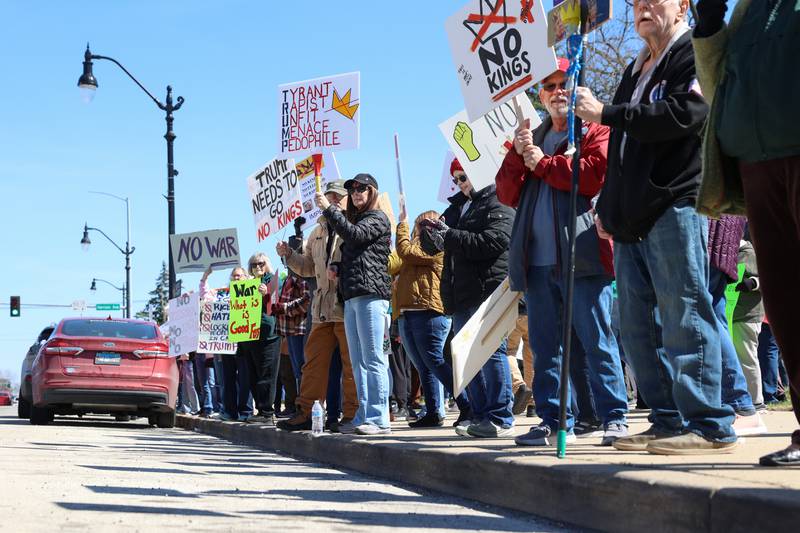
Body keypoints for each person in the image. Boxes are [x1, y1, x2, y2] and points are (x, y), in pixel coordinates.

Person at [575, 0, 737, 454]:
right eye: (635, 1)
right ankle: (666, 418)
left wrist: (606, 112)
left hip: (674, 204)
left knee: (684, 312)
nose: (642, 7)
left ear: (682, 5)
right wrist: (607, 206)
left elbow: (686, 113)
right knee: (633, 323)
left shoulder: (690, 52)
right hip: (630, 217)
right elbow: (624, 144)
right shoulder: (634, 67)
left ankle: (709, 423)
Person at [496, 58, 629, 447]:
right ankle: (553, 418)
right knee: (545, 346)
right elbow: (506, 193)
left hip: (582, 257)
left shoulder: (595, 130)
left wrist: (542, 162)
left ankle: (614, 417)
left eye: (563, 85)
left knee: (597, 339)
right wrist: (516, 154)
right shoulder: (532, 135)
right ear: (540, 95)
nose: (557, 93)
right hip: (536, 264)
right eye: (549, 86)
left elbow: (592, 175)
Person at [693, 0, 800, 465]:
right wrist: (711, 25)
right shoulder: (749, 10)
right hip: (756, 165)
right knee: (787, 302)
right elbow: (716, 85)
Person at [422, 159, 515, 438]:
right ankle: (479, 414)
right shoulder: (456, 208)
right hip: (462, 291)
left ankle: (500, 416)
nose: (461, 183)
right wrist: (432, 234)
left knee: (490, 353)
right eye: (457, 179)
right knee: (465, 357)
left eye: (464, 176)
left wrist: (451, 236)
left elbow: (496, 241)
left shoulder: (499, 198)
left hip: (487, 288)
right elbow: (433, 246)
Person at [275, 180, 360, 433]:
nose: (333, 200)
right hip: (322, 308)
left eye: (337, 197)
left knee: (350, 363)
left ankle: (352, 413)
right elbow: (309, 267)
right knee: (312, 363)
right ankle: (305, 411)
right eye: (329, 197)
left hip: (346, 305)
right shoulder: (318, 232)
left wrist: (333, 214)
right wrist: (288, 256)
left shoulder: (354, 224)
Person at [316, 173, 393, 435]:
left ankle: (378, 416)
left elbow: (356, 235)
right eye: (354, 189)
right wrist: (337, 265)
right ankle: (364, 414)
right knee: (359, 361)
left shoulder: (377, 217)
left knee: (373, 359)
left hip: (372, 296)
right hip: (352, 296)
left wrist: (329, 211)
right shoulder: (356, 219)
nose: (357, 192)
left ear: (373, 192)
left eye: (362, 188)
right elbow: (356, 248)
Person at [395, 208, 458, 428]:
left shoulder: (434, 245)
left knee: (435, 361)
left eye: (423, 226)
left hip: (429, 311)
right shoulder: (414, 246)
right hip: (410, 311)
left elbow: (405, 252)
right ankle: (433, 411)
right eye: (418, 226)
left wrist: (401, 226)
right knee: (424, 366)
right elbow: (395, 261)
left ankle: (467, 404)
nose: (420, 230)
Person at [706, 216, 766, 435]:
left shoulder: (749, 252)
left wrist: (751, 283)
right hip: (734, 314)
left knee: (748, 359)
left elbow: (763, 277)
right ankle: (737, 402)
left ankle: (755, 401)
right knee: (737, 355)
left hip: (748, 315)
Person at [235, 253, 281, 426]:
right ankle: (260, 411)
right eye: (253, 264)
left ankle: (267, 412)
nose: (257, 267)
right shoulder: (247, 284)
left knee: (266, 374)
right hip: (249, 335)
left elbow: (277, 299)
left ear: (267, 264)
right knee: (253, 374)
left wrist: (266, 292)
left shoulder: (273, 280)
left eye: (261, 263)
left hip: (268, 335)